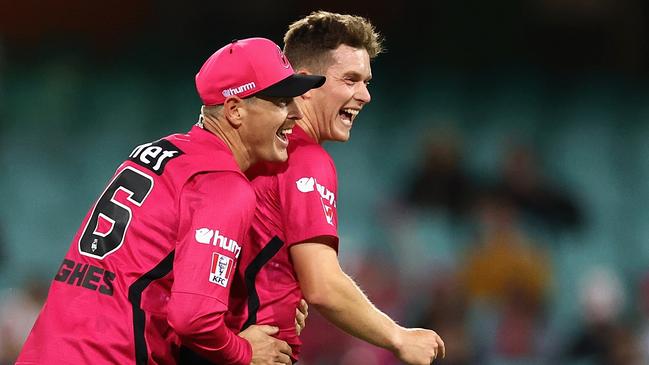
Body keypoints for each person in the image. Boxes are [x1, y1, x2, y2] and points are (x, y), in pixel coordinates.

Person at [16, 37, 325, 365]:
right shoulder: (221, 184)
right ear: (235, 110)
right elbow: (193, 317)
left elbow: (160, 271)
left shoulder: (160, 152)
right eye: (280, 101)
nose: (295, 112)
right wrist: (246, 352)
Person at [226, 11, 445, 365]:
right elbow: (323, 285)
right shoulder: (304, 158)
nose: (365, 95)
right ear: (305, 83)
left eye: (366, 82)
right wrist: (398, 336)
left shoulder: (256, 151)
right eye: (350, 80)